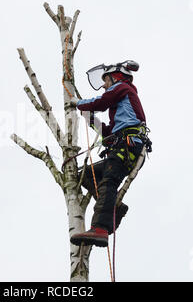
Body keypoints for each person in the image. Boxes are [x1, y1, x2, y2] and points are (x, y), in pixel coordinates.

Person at [69, 62, 148, 247]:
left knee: (109, 182)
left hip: (128, 147)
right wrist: (90, 119)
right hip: (122, 146)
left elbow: (101, 103)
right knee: (87, 175)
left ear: (116, 77)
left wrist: (78, 103)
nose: (104, 85)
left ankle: (101, 228)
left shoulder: (123, 88)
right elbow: (109, 134)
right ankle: (116, 208)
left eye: (105, 80)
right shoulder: (122, 106)